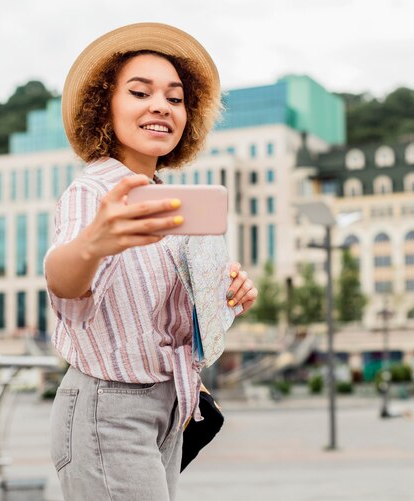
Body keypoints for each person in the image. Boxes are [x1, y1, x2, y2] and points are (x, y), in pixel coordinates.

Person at [45, 23, 257, 500]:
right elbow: (64, 286)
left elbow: (172, 318)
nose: (161, 105)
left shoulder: (169, 199)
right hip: (109, 410)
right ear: (105, 105)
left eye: (176, 98)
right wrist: (93, 244)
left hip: (168, 408)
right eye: (139, 92)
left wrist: (226, 296)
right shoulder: (95, 190)